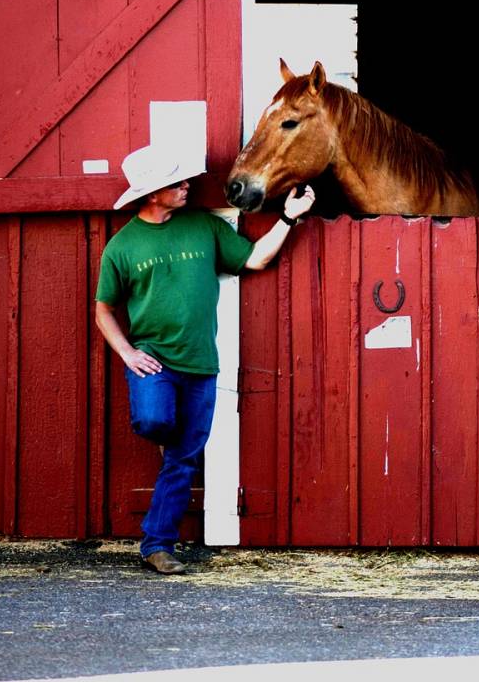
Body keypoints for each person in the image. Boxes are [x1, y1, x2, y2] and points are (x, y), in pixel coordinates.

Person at [94, 143, 315, 575]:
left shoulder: (202, 226)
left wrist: (291, 216)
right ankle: (165, 442)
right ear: (153, 192)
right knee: (157, 423)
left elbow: (255, 258)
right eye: (176, 182)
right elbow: (103, 309)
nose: (187, 185)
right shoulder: (122, 247)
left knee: (181, 459)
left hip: (200, 364)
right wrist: (127, 351)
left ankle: (157, 546)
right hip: (153, 360)